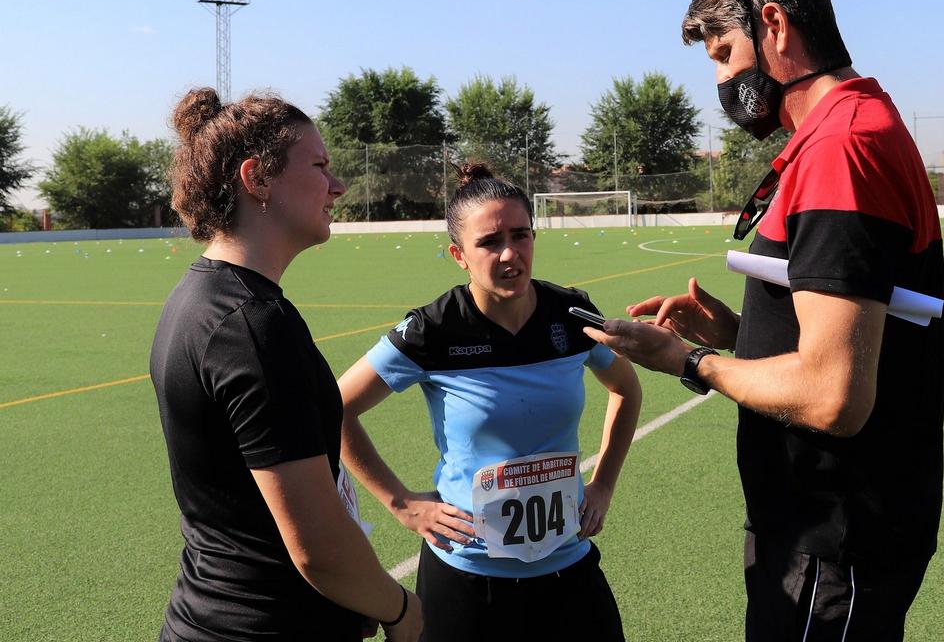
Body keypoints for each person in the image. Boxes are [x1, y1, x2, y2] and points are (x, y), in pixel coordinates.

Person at [584, 0, 944, 641]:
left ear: (774, 24)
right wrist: (737, 332)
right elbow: (855, 322)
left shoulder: (841, 147)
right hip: (829, 532)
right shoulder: (849, 127)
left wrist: (689, 362)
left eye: (724, 52)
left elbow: (835, 395)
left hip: (832, 537)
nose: (721, 79)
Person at [150, 88, 422, 641]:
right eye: (319, 166)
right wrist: (401, 610)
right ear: (257, 179)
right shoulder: (252, 326)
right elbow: (317, 546)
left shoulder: (201, 298)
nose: (337, 186)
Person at [337, 163, 642, 642]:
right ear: (459, 255)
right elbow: (334, 409)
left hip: (568, 567)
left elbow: (626, 389)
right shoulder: (433, 330)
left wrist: (602, 484)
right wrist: (401, 503)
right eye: (489, 242)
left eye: (521, 236)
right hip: (465, 578)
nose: (510, 254)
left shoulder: (570, 315)